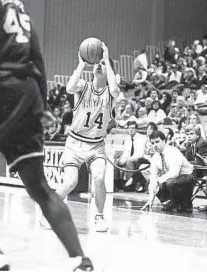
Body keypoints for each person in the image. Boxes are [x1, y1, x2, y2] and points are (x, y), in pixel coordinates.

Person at [0, 0, 93, 271]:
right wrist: (43, 106)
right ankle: (79, 260)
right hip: (28, 95)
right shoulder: (21, 12)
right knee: (39, 187)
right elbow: (37, 58)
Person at [57, 43, 120, 232]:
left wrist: (107, 59)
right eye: (97, 63)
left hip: (96, 145)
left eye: (103, 64)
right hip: (75, 143)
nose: (98, 65)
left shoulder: (111, 94)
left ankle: (99, 217)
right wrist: (81, 64)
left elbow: (116, 90)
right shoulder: (83, 86)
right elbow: (69, 88)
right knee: (70, 183)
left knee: (100, 178)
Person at [142, 131, 195, 213]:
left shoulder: (173, 151)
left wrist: (158, 181)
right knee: (151, 182)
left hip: (188, 176)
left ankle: (183, 204)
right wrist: (150, 201)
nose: (155, 145)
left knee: (170, 182)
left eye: (157, 142)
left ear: (164, 141)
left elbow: (174, 173)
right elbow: (153, 178)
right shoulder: (155, 157)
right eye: (152, 143)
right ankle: (169, 202)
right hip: (174, 178)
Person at [116, 121, 148, 192]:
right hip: (131, 158)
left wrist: (128, 160)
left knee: (129, 162)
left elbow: (140, 153)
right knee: (117, 162)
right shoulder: (128, 138)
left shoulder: (142, 138)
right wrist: (121, 161)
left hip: (140, 159)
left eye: (133, 128)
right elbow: (126, 152)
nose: (131, 130)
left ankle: (130, 186)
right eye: (129, 128)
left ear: (136, 129)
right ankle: (117, 184)